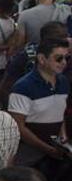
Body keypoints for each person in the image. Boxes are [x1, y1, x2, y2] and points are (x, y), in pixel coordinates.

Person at [8, 38, 70, 173]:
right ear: (42, 59)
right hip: (27, 154)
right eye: (59, 58)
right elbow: (18, 127)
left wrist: (63, 138)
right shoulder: (23, 87)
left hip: (54, 151)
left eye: (67, 58)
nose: (64, 63)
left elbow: (60, 114)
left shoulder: (64, 82)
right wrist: (46, 148)